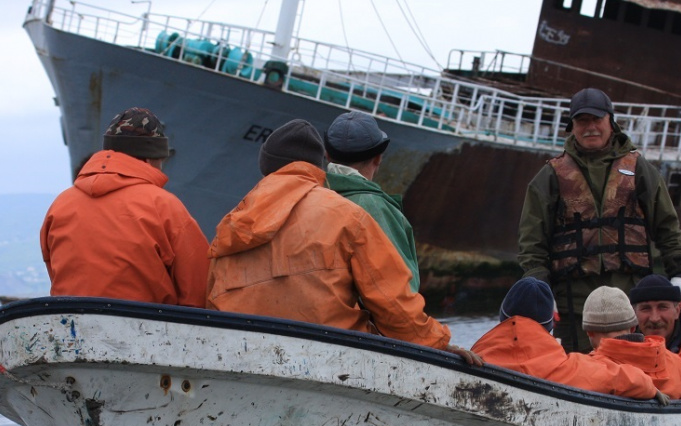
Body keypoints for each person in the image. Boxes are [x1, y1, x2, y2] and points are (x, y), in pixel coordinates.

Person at [206, 119, 481, 365]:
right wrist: (436, 345)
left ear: (265, 166)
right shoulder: (348, 216)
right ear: (319, 162)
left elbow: (208, 301)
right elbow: (392, 300)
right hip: (331, 359)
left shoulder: (230, 224)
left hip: (243, 356)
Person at [517, 87, 681, 354]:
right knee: (576, 370)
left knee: (635, 365)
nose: (590, 128)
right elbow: (532, 241)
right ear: (572, 126)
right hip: (573, 304)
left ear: (610, 121)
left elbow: (667, 227)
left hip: (631, 299)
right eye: (582, 121)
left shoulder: (639, 169)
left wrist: (679, 274)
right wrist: (540, 287)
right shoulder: (550, 175)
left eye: (596, 120)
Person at [41, 107, 210, 307]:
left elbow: (56, 272)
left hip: (73, 328)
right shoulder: (163, 206)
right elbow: (198, 290)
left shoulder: (60, 204)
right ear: (150, 159)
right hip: (146, 331)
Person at [471, 277, 669, 404]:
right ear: (549, 326)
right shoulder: (565, 368)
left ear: (502, 318)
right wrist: (649, 386)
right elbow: (618, 377)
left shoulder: (472, 358)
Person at [583, 286, 681, 402]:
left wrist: (644, 387)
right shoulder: (671, 361)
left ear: (589, 332)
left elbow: (565, 374)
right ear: (633, 327)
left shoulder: (590, 368)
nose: (655, 318)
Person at [324, 111, 421, 292]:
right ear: (378, 158)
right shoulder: (375, 209)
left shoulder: (308, 197)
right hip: (356, 319)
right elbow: (403, 292)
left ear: (327, 155)